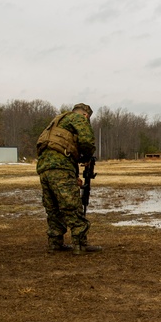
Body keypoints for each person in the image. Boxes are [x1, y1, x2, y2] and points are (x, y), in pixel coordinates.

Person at [36, 103, 100, 255]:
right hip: (60, 167)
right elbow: (86, 141)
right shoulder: (78, 118)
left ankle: (55, 243)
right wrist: (87, 156)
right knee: (71, 205)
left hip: (44, 168)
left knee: (53, 208)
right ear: (85, 115)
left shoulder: (57, 121)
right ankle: (80, 244)